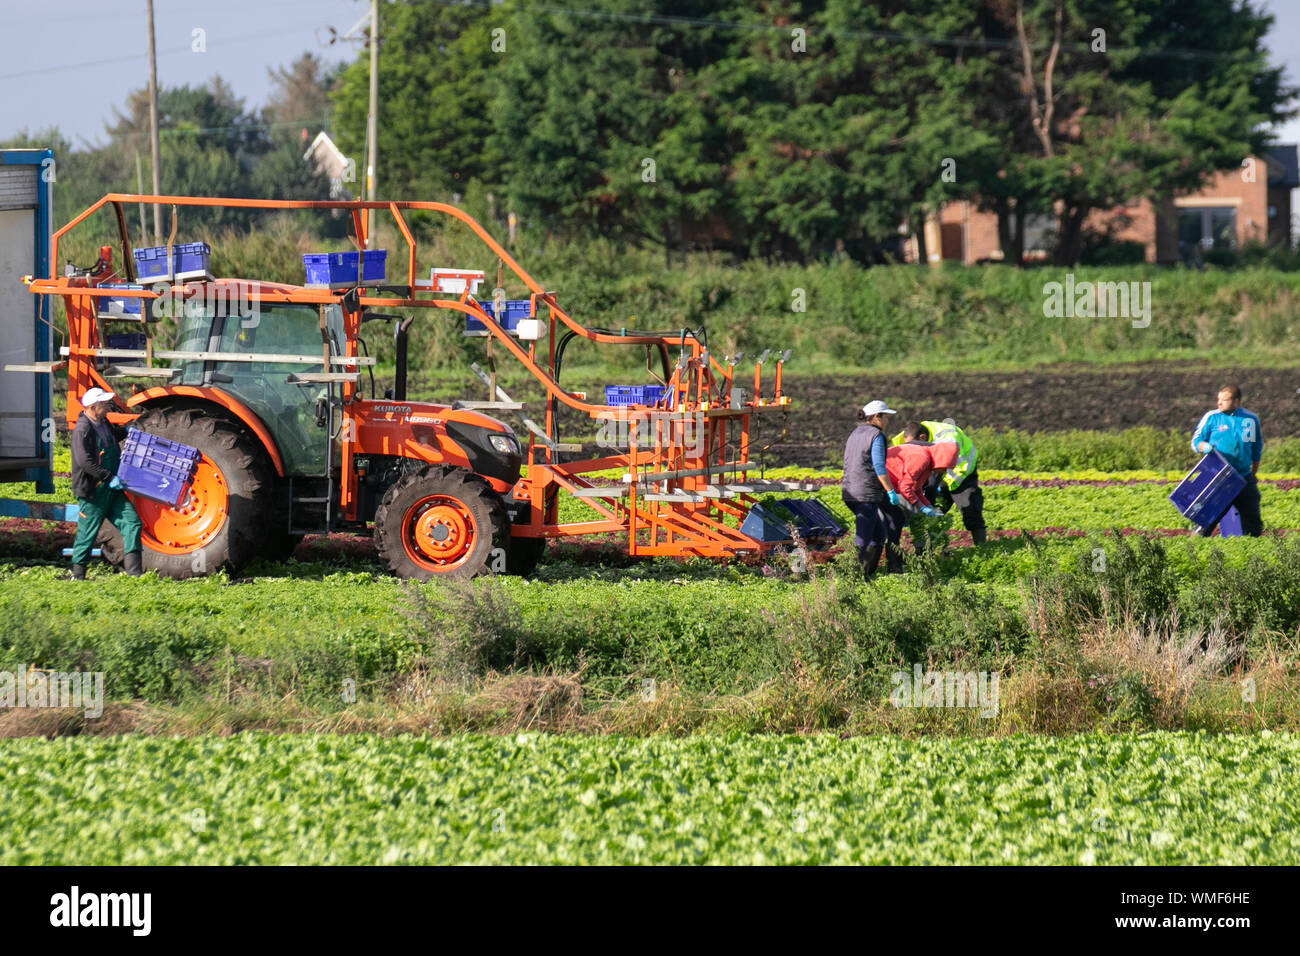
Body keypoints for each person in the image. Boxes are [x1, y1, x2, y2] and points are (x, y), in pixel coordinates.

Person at [70, 387, 143, 579]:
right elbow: (85, 462)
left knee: (132, 523)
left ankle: (134, 574)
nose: (107, 407)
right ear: (93, 407)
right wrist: (109, 478)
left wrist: (126, 431)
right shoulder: (82, 429)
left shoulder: (103, 422)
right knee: (88, 534)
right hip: (94, 490)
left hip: (112, 490)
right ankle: (78, 576)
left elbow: (112, 437)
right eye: (104, 404)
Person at [894, 419, 987, 545]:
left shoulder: (946, 439)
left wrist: (926, 500)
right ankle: (930, 549)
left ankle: (981, 546)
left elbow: (937, 472)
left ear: (922, 437)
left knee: (969, 507)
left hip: (961, 472)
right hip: (934, 468)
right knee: (933, 515)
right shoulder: (908, 437)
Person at [842, 400, 904, 580]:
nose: (887, 422)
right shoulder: (876, 436)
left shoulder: (855, 432)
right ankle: (851, 577)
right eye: (885, 417)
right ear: (876, 417)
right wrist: (890, 491)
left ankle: (867, 573)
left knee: (878, 535)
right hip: (865, 493)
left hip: (849, 491)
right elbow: (878, 466)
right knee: (863, 537)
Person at [1190, 385, 1263, 536]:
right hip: (1219, 478)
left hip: (1243, 477)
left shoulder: (1250, 419)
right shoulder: (1212, 417)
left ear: (1236, 401)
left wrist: (1253, 473)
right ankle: (1195, 546)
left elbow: (1256, 449)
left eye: (1224, 399)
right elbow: (1196, 441)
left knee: (1253, 521)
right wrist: (1205, 447)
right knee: (1207, 519)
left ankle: (1251, 549)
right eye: (1218, 399)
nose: (1219, 403)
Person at [885, 436, 960, 555]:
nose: (945, 472)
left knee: (910, 515)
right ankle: (919, 553)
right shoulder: (921, 458)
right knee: (911, 516)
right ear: (942, 460)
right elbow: (905, 487)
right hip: (882, 484)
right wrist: (921, 507)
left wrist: (928, 505)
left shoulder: (928, 462)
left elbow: (917, 488)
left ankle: (920, 551)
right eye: (946, 467)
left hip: (894, 486)